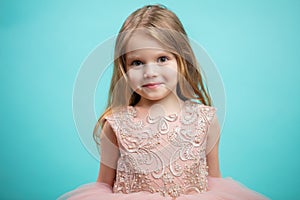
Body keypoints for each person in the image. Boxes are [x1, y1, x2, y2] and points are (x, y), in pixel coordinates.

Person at [58, 4, 269, 200]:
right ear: (124, 68)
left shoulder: (204, 120)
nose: (150, 72)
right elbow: (103, 185)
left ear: (181, 59)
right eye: (137, 62)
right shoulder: (116, 125)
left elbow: (214, 181)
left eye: (162, 59)